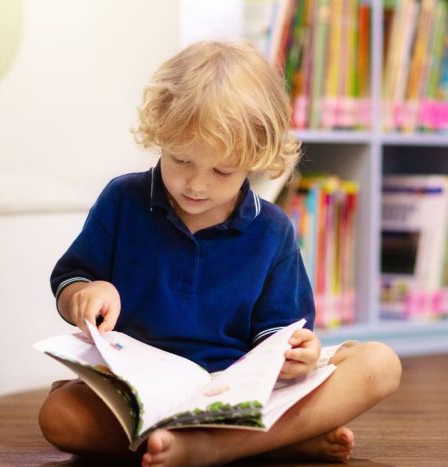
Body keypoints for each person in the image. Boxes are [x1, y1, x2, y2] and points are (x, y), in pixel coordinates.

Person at [38, 40, 402, 466]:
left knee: (381, 364)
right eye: (181, 160)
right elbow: (71, 279)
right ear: (160, 136)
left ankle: (206, 448)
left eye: (221, 171)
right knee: (59, 417)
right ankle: (274, 442)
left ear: (256, 158)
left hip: (240, 394)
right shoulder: (123, 199)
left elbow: (279, 334)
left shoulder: (272, 230)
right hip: (143, 392)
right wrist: (84, 292)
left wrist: (297, 355)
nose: (196, 185)